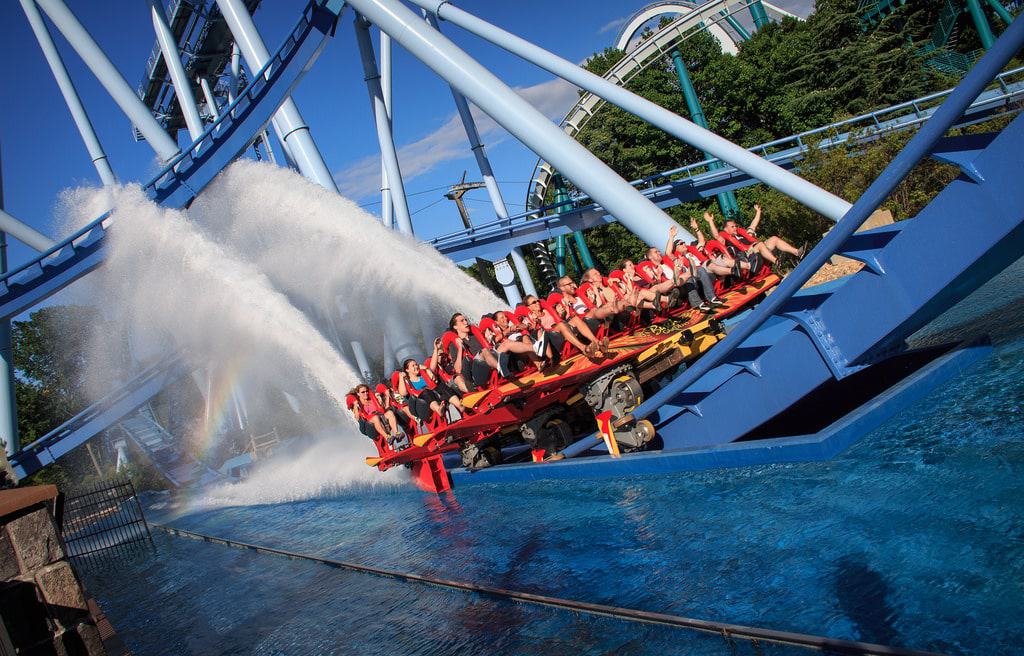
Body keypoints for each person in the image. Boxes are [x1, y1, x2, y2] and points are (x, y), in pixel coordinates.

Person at [704, 206, 804, 266]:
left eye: (735, 226)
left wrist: (758, 212)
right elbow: (716, 236)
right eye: (732, 227)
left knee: (773, 238)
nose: (735, 228)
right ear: (726, 229)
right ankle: (776, 262)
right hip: (747, 255)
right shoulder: (725, 238)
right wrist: (710, 221)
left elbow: (753, 225)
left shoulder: (742, 233)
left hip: (759, 249)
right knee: (760, 245)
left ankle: (797, 252)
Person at [397, 357, 466, 423]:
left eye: (416, 364)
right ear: (407, 370)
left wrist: (426, 369)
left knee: (441, 386)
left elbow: (434, 380)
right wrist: (401, 378)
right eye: (413, 366)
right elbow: (403, 393)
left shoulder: (422, 376)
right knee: (426, 392)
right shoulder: (408, 382)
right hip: (423, 402)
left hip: (435, 395)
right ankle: (438, 409)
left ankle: (459, 405)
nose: (416, 366)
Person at [446, 313, 499, 389]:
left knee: (503, 345)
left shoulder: (475, 336)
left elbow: (490, 346)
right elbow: (457, 369)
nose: (466, 322)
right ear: (455, 327)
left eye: (466, 320)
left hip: (489, 362)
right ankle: (500, 367)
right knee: (483, 352)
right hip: (476, 370)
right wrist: (460, 348)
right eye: (462, 321)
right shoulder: (453, 345)